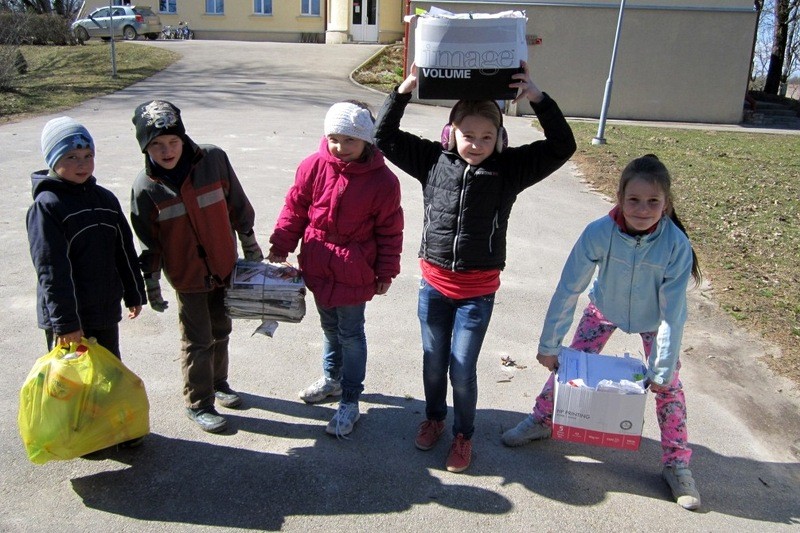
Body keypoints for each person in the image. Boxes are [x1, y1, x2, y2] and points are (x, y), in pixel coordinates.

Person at [373, 62, 576, 472]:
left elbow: (562, 146)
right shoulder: (432, 160)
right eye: (468, 136)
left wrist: (536, 97)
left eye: (487, 137)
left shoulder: (510, 169)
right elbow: (383, 136)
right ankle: (434, 419)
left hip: (476, 293)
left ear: (500, 138)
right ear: (451, 133)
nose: (476, 144)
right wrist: (405, 89)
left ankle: (463, 436)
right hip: (433, 286)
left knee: (461, 368)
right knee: (434, 362)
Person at [501, 154, 704, 510]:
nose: (642, 209)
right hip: (604, 308)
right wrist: (550, 345)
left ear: (667, 204)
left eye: (653, 202)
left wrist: (661, 368)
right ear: (619, 198)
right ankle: (542, 419)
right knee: (571, 365)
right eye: (634, 200)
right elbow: (569, 288)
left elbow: (674, 315)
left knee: (669, 386)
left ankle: (676, 463)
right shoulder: (599, 232)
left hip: (655, 320)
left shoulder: (675, 246)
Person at [268, 100, 403, 438]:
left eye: (350, 140)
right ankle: (332, 378)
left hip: (354, 268)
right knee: (330, 329)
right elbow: (295, 208)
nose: (340, 147)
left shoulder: (384, 182)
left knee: (352, 334)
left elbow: (390, 230)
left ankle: (350, 400)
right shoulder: (312, 166)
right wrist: (280, 245)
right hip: (317, 262)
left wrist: (385, 271)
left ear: (367, 141)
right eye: (334, 139)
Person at [129, 100, 264, 433]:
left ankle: (220, 384)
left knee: (221, 330)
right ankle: (198, 402)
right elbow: (150, 243)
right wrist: (152, 285)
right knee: (197, 340)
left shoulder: (213, 160)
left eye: (173, 141)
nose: (167, 150)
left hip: (224, 267)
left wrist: (250, 246)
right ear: (145, 147)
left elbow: (237, 206)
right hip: (187, 277)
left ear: (183, 138)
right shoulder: (146, 188)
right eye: (156, 145)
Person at [27, 117, 147, 447]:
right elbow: (51, 269)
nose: (82, 164)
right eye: (71, 157)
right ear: (53, 160)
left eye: (87, 156)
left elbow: (123, 248)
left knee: (108, 374)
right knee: (74, 381)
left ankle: (111, 429)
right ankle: (82, 437)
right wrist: (65, 323)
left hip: (103, 309)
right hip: (69, 316)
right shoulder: (47, 206)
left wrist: (133, 291)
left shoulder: (105, 199)